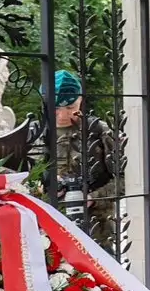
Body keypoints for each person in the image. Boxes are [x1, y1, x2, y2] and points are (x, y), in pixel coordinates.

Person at [49, 70, 124, 245]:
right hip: (51, 225)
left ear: (80, 101)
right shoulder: (38, 133)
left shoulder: (99, 131)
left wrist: (93, 198)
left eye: (70, 108)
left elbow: (126, 179)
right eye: (56, 108)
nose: (63, 115)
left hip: (97, 227)